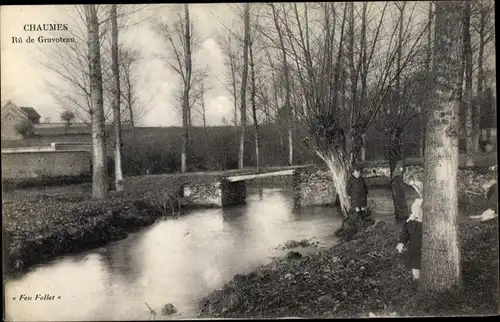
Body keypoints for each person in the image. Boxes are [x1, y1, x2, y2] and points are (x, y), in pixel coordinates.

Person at [396, 198, 423, 280]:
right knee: (415, 266)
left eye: (420, 210)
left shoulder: (429, 224)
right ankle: (416, 279)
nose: (417, 212)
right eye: (415, 210)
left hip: (426, 249)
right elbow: (405, 234)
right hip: (414, 249)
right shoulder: (410, 222)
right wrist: (401, 242)